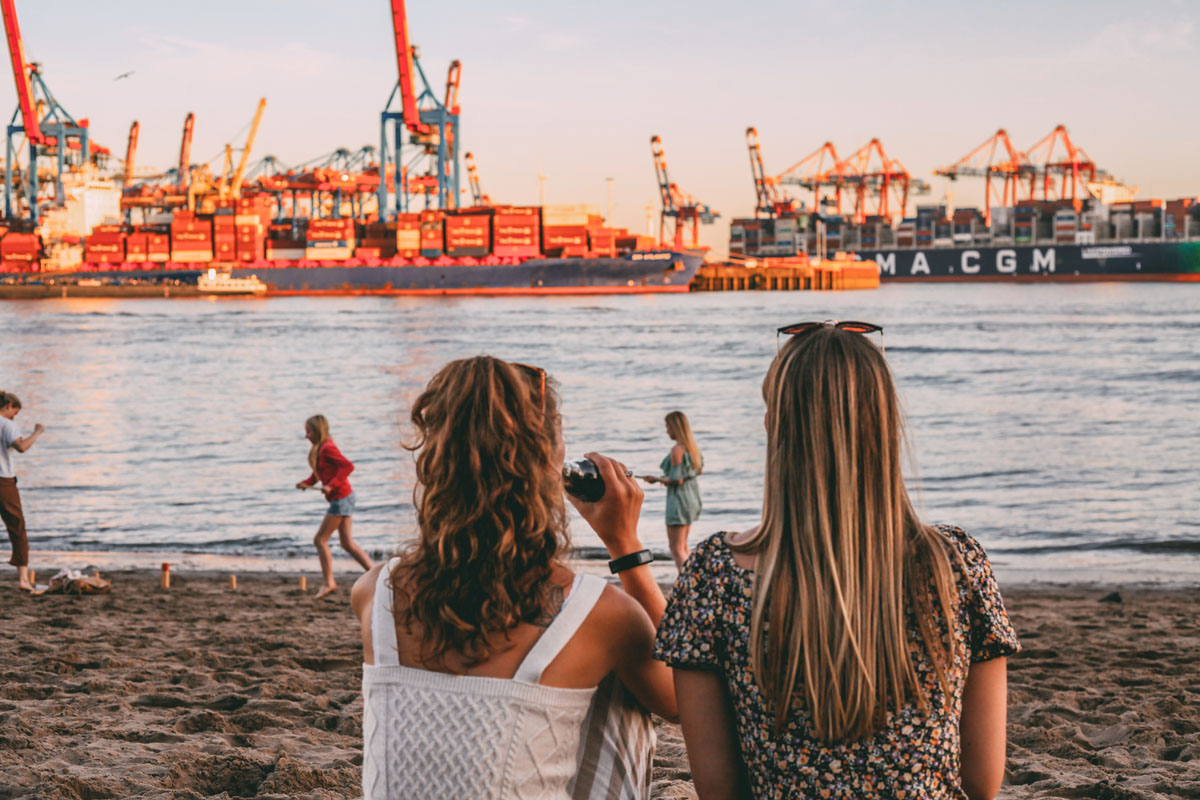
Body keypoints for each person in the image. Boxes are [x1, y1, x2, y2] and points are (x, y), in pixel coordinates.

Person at [654, 321, 1021, 800]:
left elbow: (720, 790)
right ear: (885, 422)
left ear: (773, 426)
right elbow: (980, 782)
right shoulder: (956, 565)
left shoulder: (714, 575)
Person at [352, 355, 677, 799]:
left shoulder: (375, 593)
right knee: (619, 694)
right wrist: (624, 544)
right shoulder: (601, 615)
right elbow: (679, 698)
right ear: (552, 461)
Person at [296, 414, 373, 599]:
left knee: (320, 540)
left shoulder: (328, 448)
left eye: (309, 431)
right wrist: (307, 483)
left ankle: (329, 583)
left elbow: (347, 467)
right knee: (347, 543)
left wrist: (331, 485)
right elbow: (319, 473)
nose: (306, 435)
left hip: (341, 498)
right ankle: (376, 575)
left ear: (317, 431)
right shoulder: (320, 449)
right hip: (342, 498)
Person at [640, 410, 702, 571]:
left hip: (679, 500)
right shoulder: (693, 448)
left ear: (675, 427)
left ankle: (686, 584)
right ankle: (692, 579)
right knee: (684, 546)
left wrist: (656, 479)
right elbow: (697, 472)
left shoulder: (677, 450)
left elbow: (676, 480)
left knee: (676, 549)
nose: (667, 431)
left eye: (668, 427)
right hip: (692, 498)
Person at [0, 392, 44, 592]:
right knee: (17, 528)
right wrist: (36, 432)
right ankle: (23, 580)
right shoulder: (6, 424)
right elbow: (21, 447)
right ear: (9, 405)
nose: (13, 417)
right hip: (3, 482)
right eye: (14, 413)